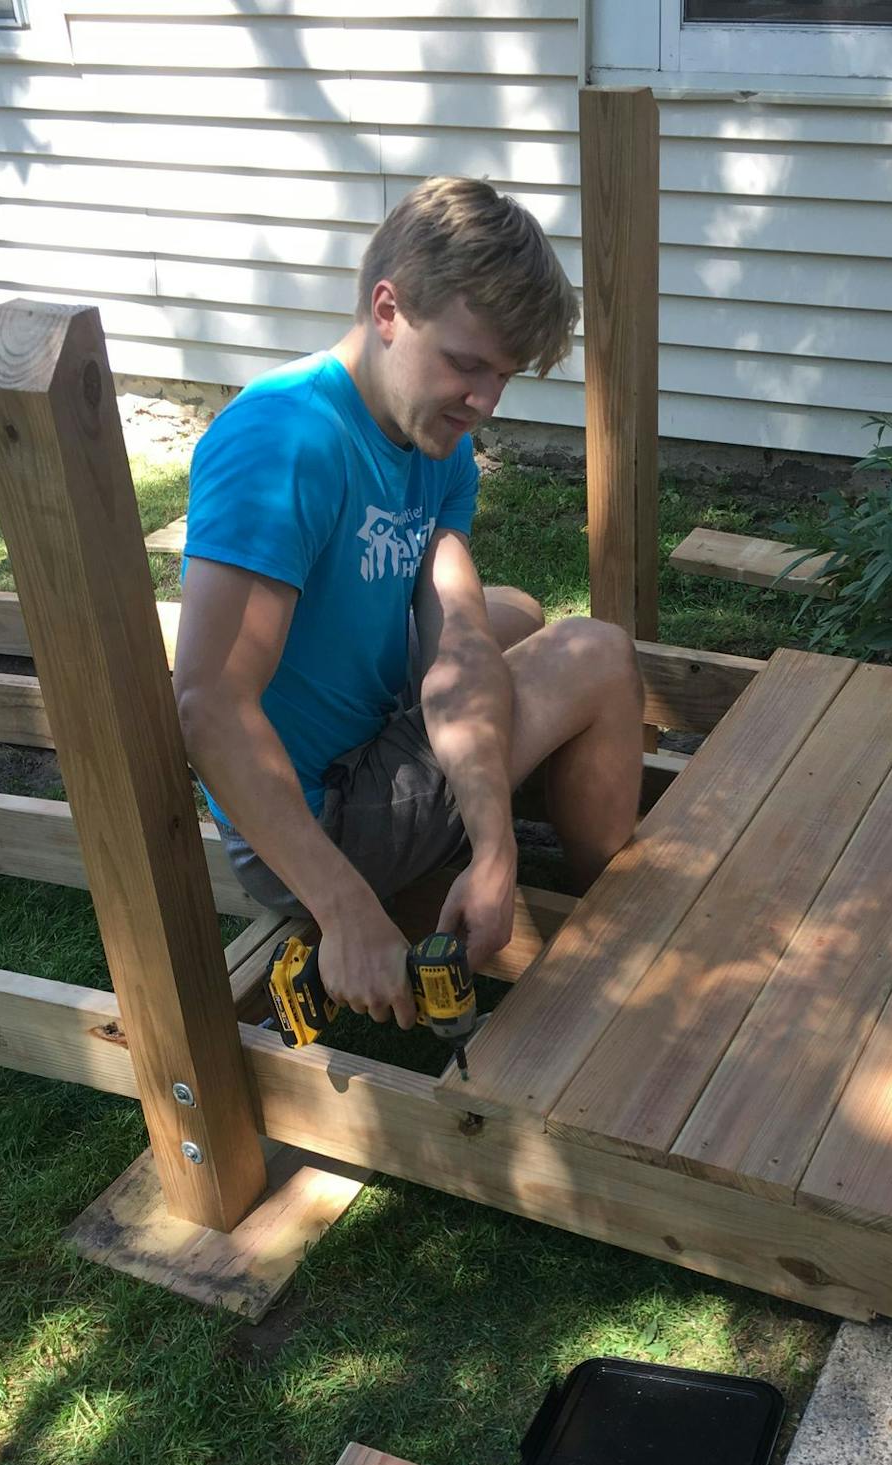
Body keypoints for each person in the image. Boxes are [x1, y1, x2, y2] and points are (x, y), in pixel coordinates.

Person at [174, 175, 644, 1034]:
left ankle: (506, 844)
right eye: (467, 363)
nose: (485, 400)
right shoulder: (282, 443)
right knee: (600, 654)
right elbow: (208, 706)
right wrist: (347, 910)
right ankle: (610, 909)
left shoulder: (435, 443)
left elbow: (459, 641)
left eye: (502, 375)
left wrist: (497, 849)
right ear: (387, 309)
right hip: (309, 823)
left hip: (365, 739)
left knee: (514, 612)